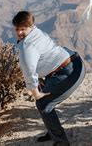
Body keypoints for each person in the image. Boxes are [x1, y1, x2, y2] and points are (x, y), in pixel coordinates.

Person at [12, 11, 86, 146]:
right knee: (46, 99)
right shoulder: (36, 32)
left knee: (43, 104)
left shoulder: (27, 46)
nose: (20, 32)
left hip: (68, 72)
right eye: (17, 29)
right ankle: (52, 131)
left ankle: (61, 142)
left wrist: (36, 93)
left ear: (30, 26)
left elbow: (29, 71)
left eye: (23, 29)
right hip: (74, 62)